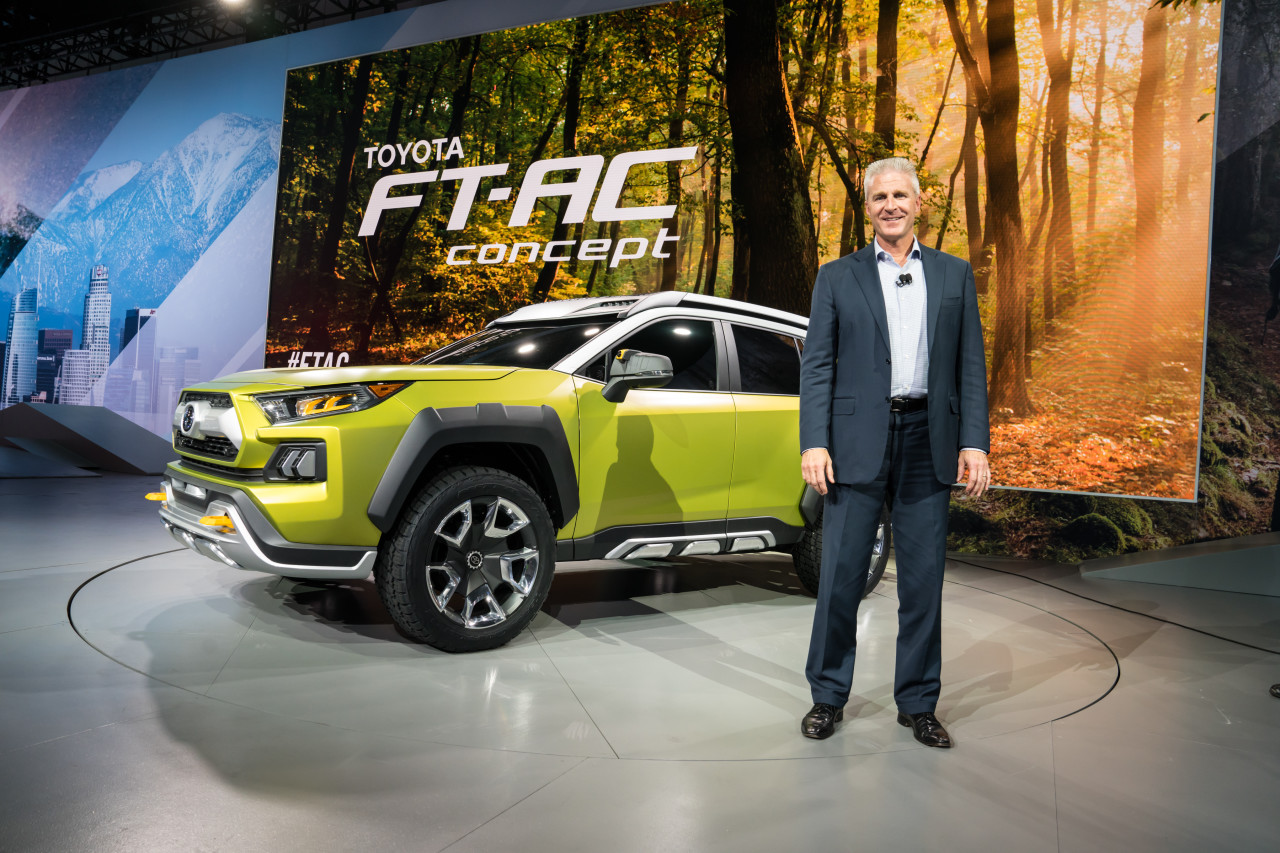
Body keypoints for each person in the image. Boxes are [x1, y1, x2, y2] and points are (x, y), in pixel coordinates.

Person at [798, 157, 991, 747]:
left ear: (918, 202)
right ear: (868, 207)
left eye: (900, 195)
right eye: (879, 196)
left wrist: (975, 442)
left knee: (924, 582)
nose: (890, 205)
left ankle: (918, 702)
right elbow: (819, 366)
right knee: (840, 578)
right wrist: (814, 441)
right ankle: (828, 696)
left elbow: (970, 367)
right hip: (856, 443)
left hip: (926, 441)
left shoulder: (955, 275)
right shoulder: (837, 276)